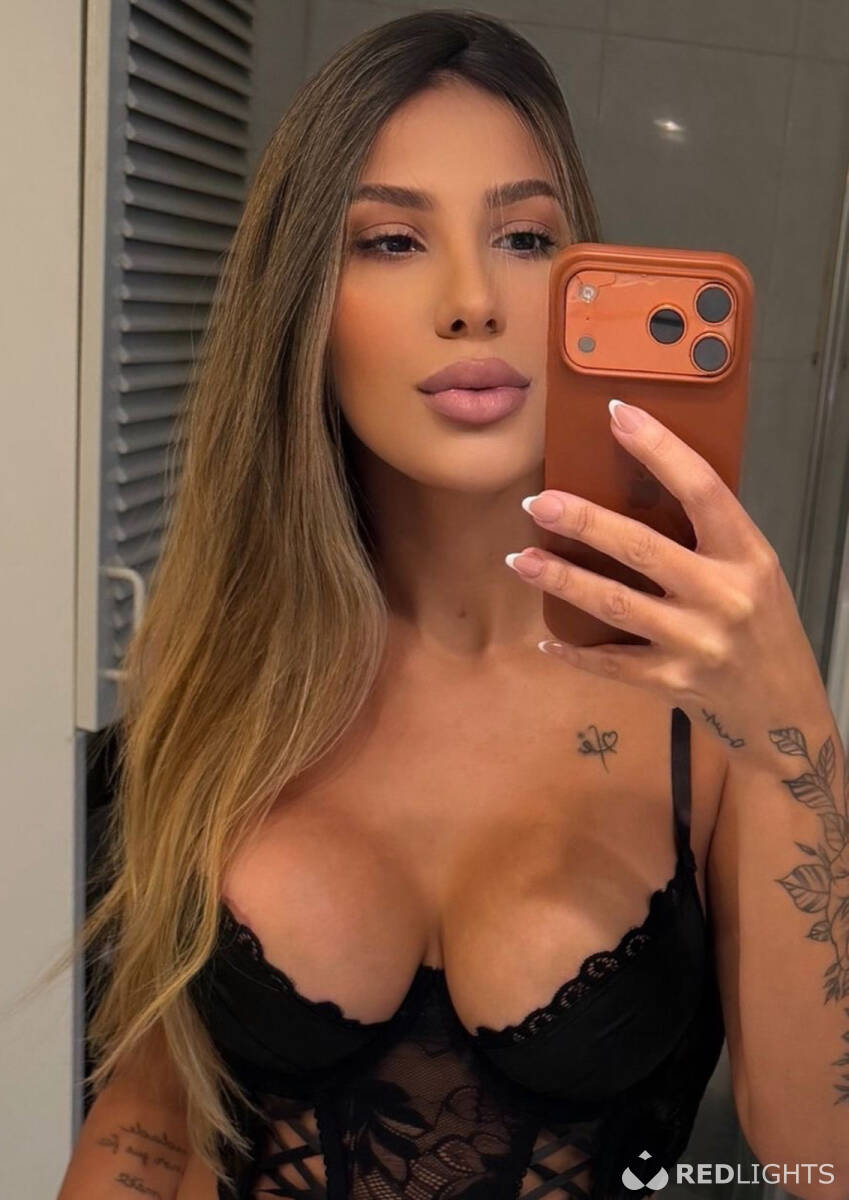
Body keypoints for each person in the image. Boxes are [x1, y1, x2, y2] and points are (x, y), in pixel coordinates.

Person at [56, 10, 727, 1198]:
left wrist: (796, 723)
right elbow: (154, 1114)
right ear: (304, 313)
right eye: (392, 242)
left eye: (524, 237)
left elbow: (824, 1153)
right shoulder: (218, 672)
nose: (472, 300)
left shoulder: (713, 712)